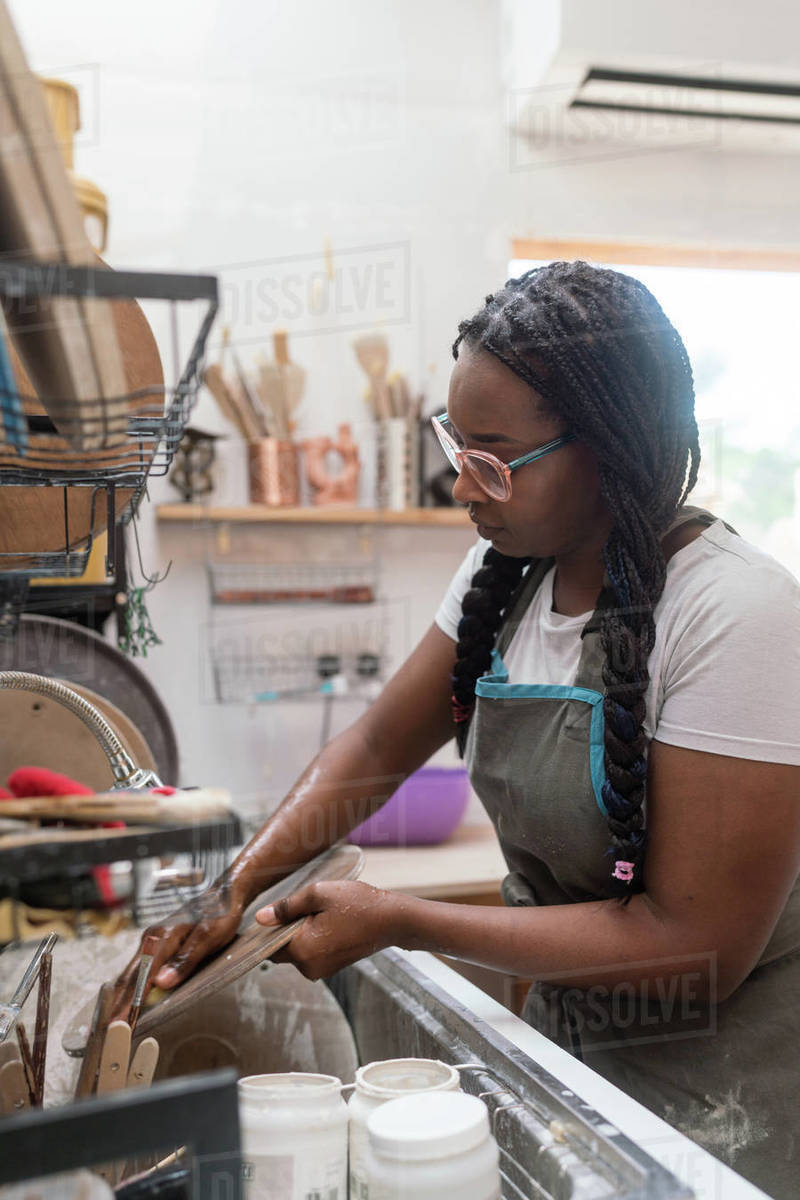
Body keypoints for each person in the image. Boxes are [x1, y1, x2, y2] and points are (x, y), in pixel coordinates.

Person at [118, 261, 800, 1198]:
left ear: (606, 449)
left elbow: (698, 947)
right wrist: (235, 885)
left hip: (723, 1113)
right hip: (569, 1070)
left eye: (490, 458)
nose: (459, 485)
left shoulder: (739, 613)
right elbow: (371, 752)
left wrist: (402, 919)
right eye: (454, 443)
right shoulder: (508, 575)